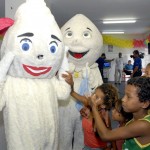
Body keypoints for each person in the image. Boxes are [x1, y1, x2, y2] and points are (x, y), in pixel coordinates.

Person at [90, 77, 150, 150]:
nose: (123, 99)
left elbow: (106, 135)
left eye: (128, 97)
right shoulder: (136, 116)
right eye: (124, 95)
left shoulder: (144, 125)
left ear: (144, 103)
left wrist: (94, 107)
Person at [63, 72, 119, 150]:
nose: (92, 97)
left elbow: (109, 135)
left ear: (103, 105)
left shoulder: (104, 118)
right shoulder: (88, 104)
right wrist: (71, 83)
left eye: (96, 97)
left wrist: (113, 147)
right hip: (87, 146)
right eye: (93, 93)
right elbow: (72, 93)